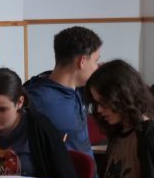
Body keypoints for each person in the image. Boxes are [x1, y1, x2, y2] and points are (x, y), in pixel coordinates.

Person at [23, 26, 103, 166]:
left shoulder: (80, 89)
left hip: (88, 177)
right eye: (95, 61)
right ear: (82, 61)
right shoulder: (38, 99)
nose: (97, 67)